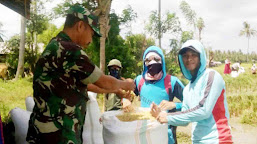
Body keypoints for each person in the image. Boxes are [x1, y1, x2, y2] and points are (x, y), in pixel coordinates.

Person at [26, 4, 135, 144]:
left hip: (42, 131)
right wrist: (127, 84)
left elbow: (88, 84)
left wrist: (117, 90)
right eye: (91, 33)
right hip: (59, 133)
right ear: (80, 26)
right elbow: (103, 81)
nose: (90, 40)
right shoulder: (70, 50)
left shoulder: (55, 45)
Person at [151, 40, 233, 144]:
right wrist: (161, 113)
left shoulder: (211, 76)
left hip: (217, 139)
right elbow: (185, 120)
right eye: (185, 55)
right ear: (181, 59)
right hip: (197, 141)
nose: (189, 59)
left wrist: (168, 117)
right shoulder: (187, 89)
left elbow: (204, 110)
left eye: (193, 55)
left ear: (200, 57)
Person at [127, 46, 184, 144]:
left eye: (156, 59)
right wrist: (126, 100)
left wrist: (175, 105)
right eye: (148, 60)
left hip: (166, 135)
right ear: (144, 63)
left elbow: (192, 102)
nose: (152, 63)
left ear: (162, 61)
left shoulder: (172, 82)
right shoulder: (139, 80)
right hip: (144, 134)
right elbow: (128, 95)